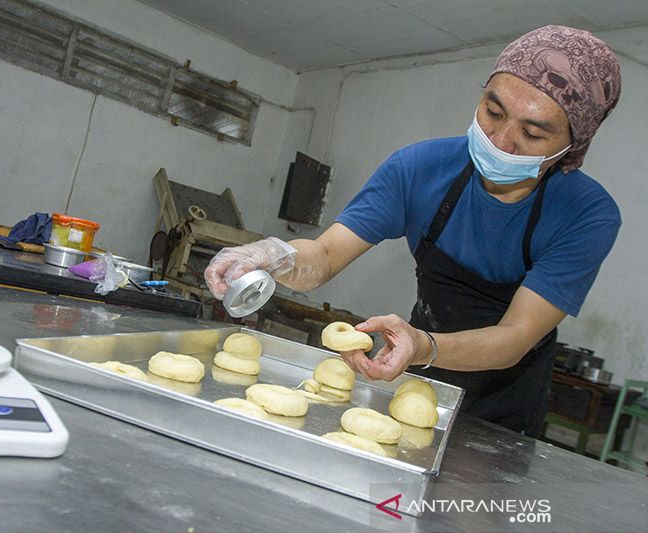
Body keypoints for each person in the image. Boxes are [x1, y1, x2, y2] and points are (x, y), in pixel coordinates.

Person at [204, 25, 623, 437]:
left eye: (532, 133)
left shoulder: (586, 214)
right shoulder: (419, 169)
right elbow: (327, 254)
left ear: (573, 144)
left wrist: (423, 345)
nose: (500, 140)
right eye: (493, 112)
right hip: (417, 376)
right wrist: (277, 256)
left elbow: (514, 337)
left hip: (504, 404)